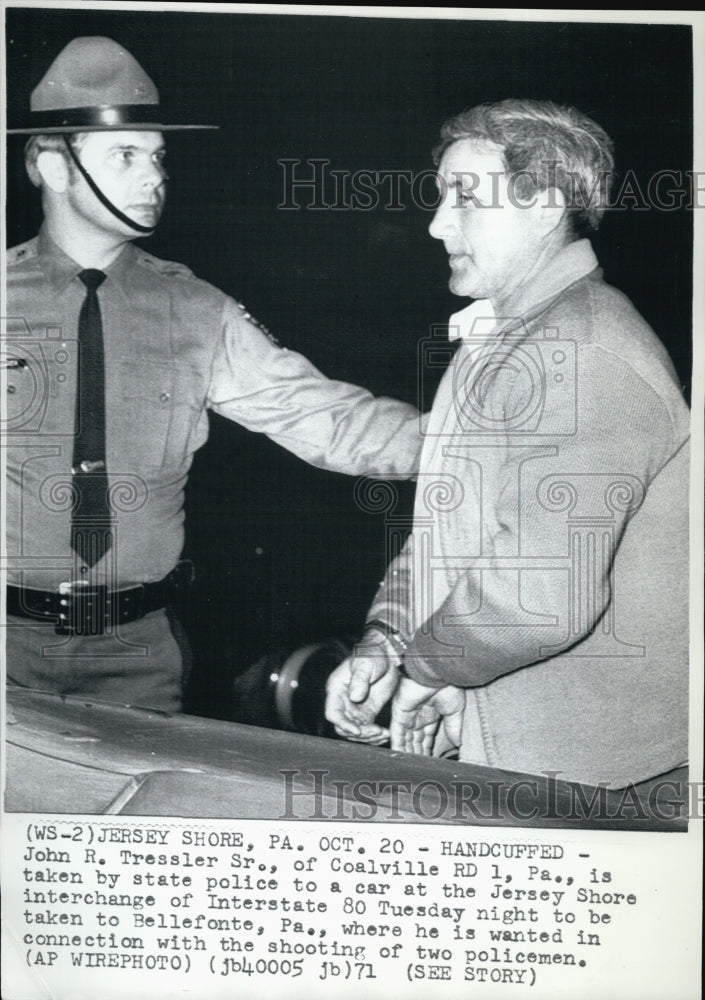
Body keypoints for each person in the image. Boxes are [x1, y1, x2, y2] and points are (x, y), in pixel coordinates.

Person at [4, 36, 424, 713]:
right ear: (53, 166)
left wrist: (472, 443)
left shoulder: (196, 309)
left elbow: (327, 420)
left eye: (158, 157)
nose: (155, 177)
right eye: (127, 156)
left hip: (137, 657)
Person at [326, 99, 690, 788]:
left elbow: (537, 599)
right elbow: (444, 530)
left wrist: (426, 667)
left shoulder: (582, 353)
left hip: (602, 776)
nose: (436, 226)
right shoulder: (502, 335)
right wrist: (390, 638)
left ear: (545, 205)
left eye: (464, 199)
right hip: (521, 749)